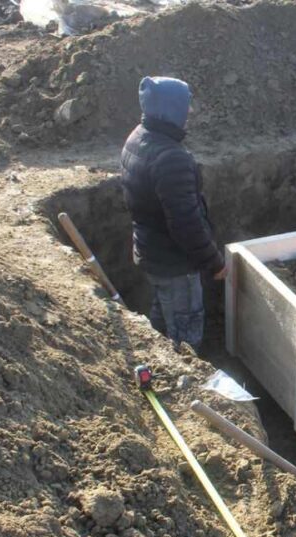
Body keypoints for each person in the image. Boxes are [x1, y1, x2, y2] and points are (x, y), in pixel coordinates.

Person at [121, 76, 225, 351]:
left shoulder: (138, 136)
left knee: (163, 315)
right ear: (172, 109)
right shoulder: (170, 158)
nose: (189, 112)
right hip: (174, 265)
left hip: (151, 253)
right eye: (185, 106)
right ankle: (185, 379)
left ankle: (159, 360)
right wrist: (214, 262)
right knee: (186, 334)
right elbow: (186, 224)